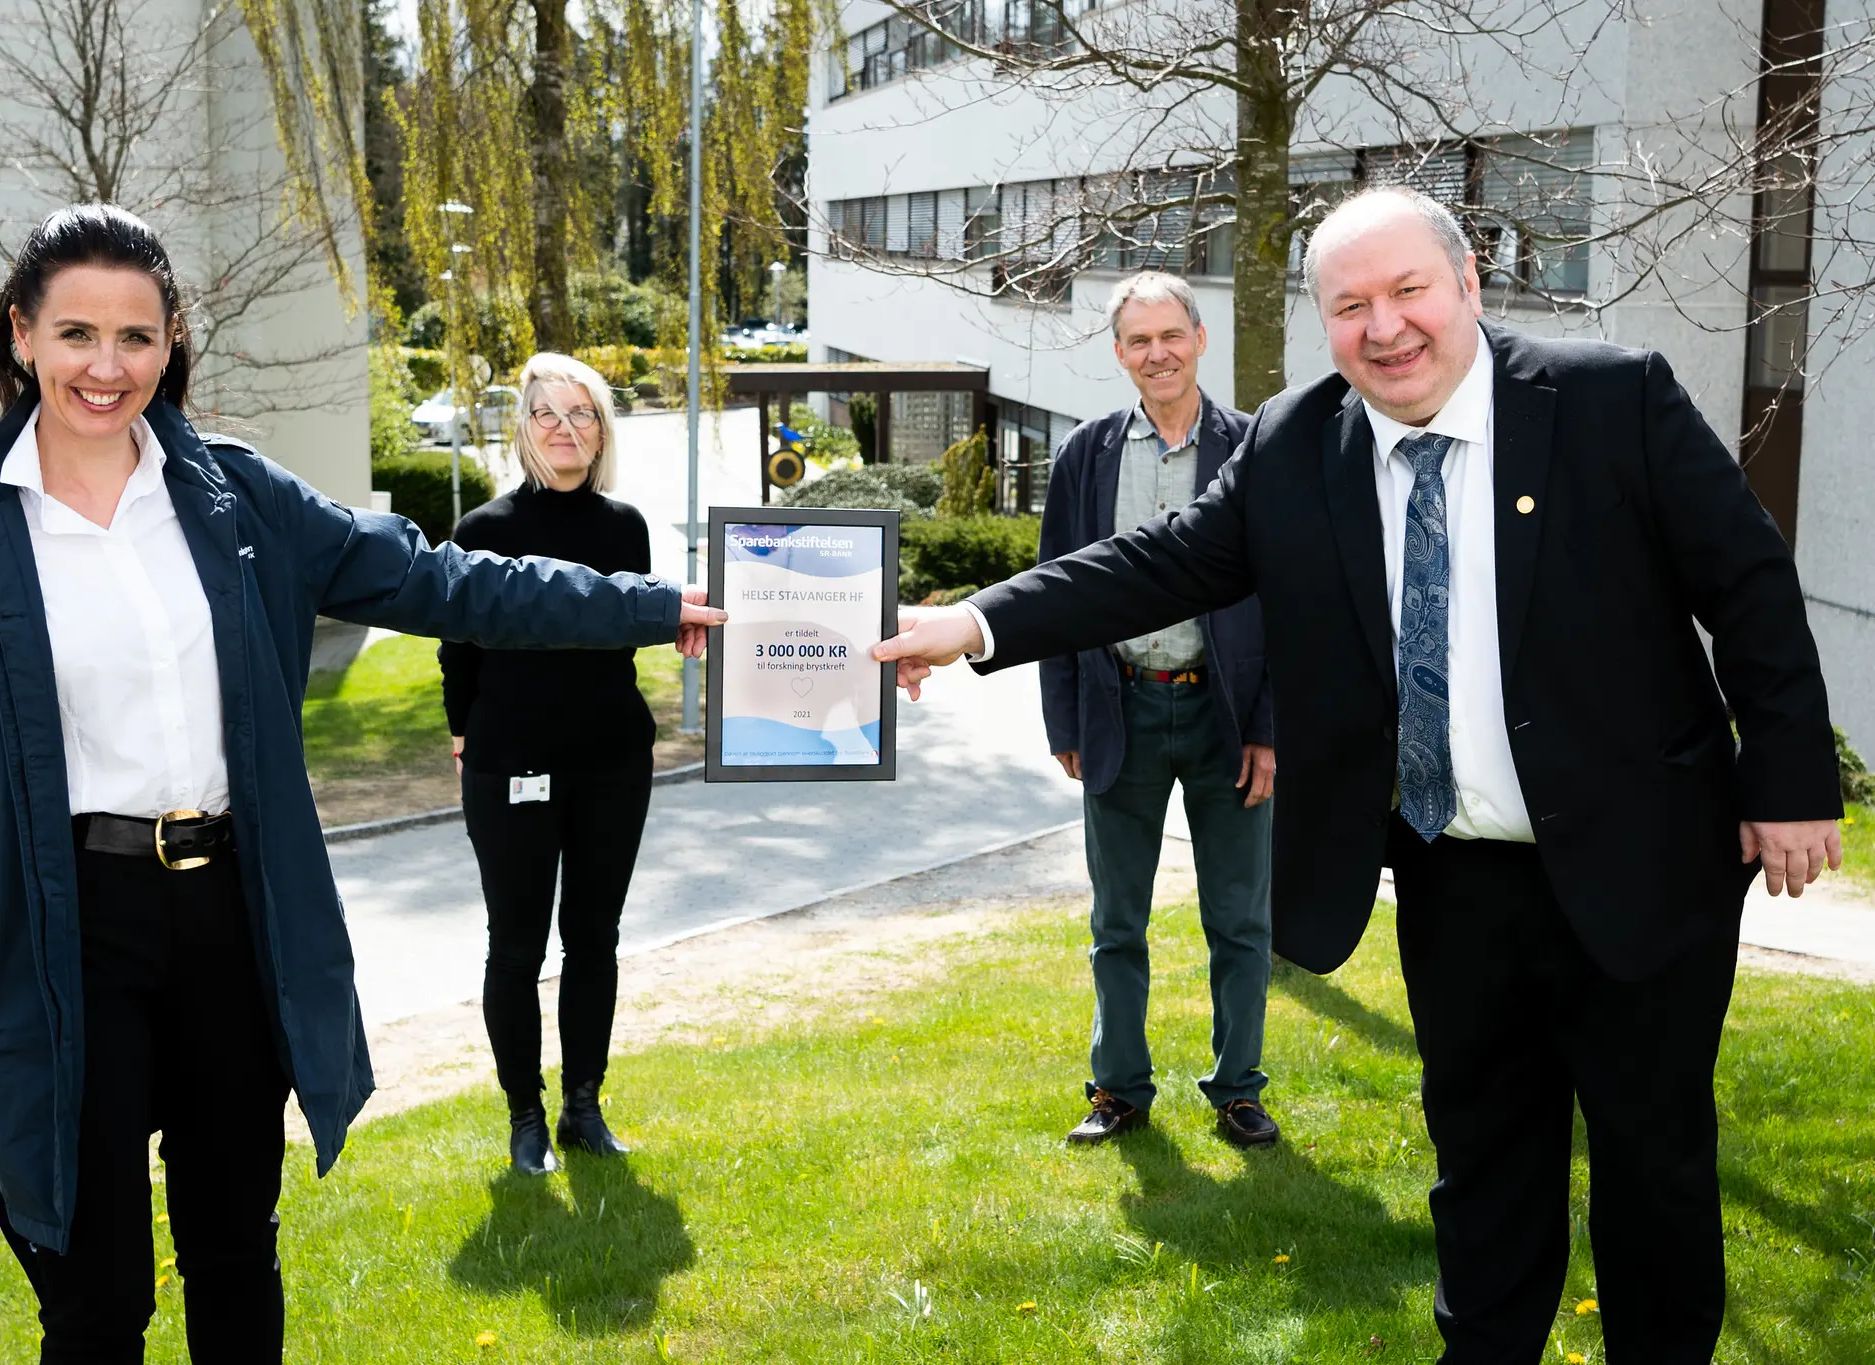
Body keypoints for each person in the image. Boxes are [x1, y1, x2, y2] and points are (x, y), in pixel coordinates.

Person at [875, 187, 1842, 1363]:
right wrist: (973, 623)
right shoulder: (1298, 442)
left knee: (1652, 1170)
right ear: (1322, 323)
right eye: (1349, 306)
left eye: (1405, 292)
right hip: (1453, 879)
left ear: (1467, 287)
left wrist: (1785, 781)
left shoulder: (1606, 397)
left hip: (1641, 866)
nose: (1382, 329)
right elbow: (1158, 563)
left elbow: (1743, 580)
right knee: (1481, 1167)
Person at [0, 204, 721, 1365]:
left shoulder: (239, 502)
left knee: (232, 1255)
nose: (105, 369)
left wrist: (654, 608)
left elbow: (447, 583)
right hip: (66, 933)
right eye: (75, 335)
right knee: (95, 1297)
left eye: (136, 337)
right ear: (20, 337)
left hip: (229, 920)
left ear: (171, 346)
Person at [1038, 271, 1280, 1149]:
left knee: (1240, 920)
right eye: (1138, 341)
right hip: (1121, 710)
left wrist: (1270, 730)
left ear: (1200, 337)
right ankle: (1119, 1090)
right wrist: (1063, 720)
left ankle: (1238, 1088)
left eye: (1170, 335)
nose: (1157, 353)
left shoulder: (1257, 448)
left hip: (1227, 722)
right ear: (1119, 354)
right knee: (1116, 922)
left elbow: (1292, 601)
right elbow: (1056, 592)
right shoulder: (1087, 455)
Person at [440, 353, 656, 1176]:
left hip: (611, 759)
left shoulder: (624, 526)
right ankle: (525, 1116)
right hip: (512, 763)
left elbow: (631, 629)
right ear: (523, 428)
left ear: (602, 429)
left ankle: (583, 1107)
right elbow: (456, 646)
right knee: (517, 945)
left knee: (594, 938)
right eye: (548, 415)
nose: (565, 430)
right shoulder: (484, 531)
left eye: (583, 415)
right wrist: (465, 736)